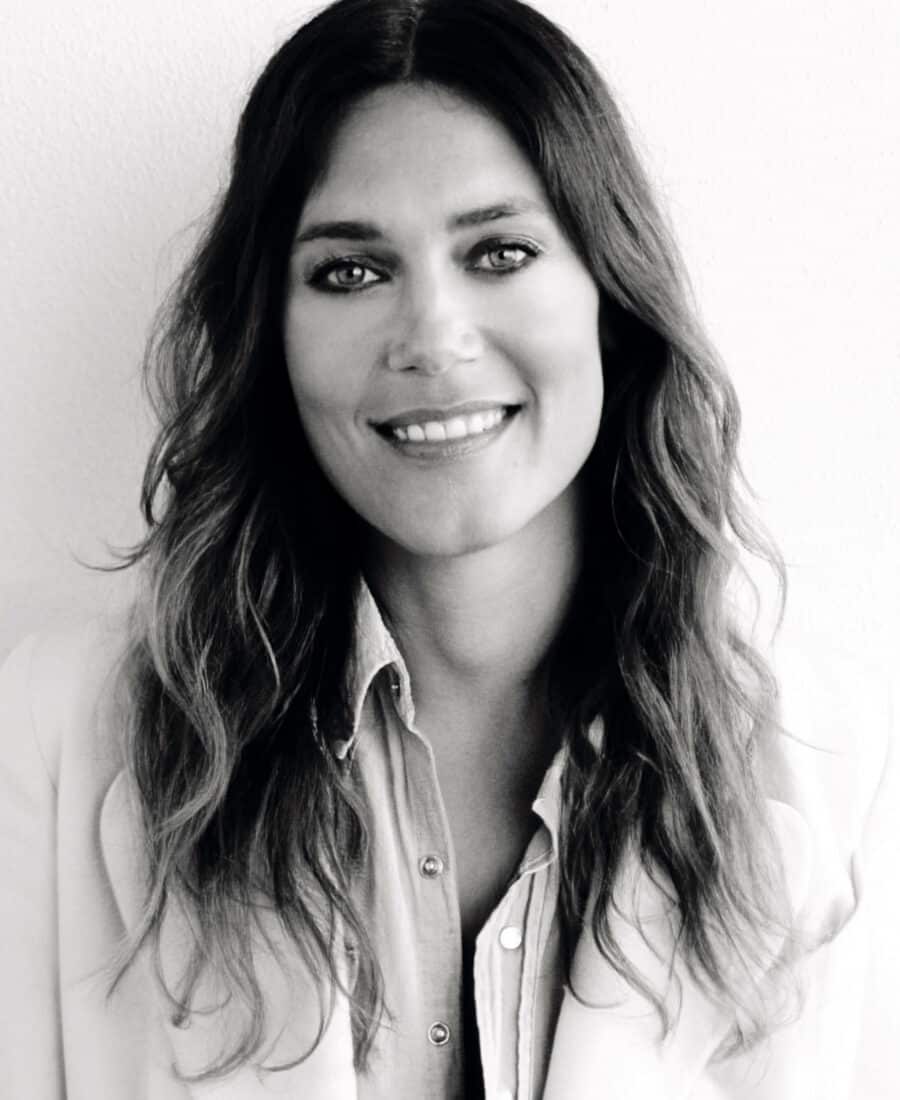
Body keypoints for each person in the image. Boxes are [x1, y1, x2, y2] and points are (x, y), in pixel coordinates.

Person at [0, 0, 888, 1097]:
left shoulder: (846, 771)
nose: (431, 336)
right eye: (349, 271)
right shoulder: (50, 733)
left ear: (609, 300)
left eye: (500, 251)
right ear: (269, 335)